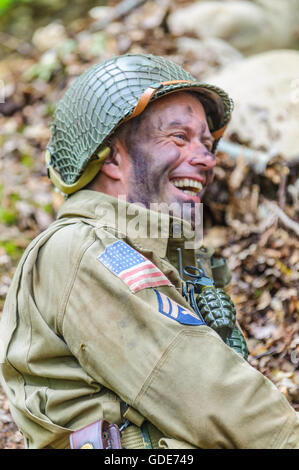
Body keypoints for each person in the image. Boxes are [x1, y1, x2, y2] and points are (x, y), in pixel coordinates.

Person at [0, 54, 298, 450]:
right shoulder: (86, 249)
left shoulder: (155, 253)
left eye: (207, 144)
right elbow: (208, 394)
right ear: (110, 156)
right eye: (178, 137)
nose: (206, 159)